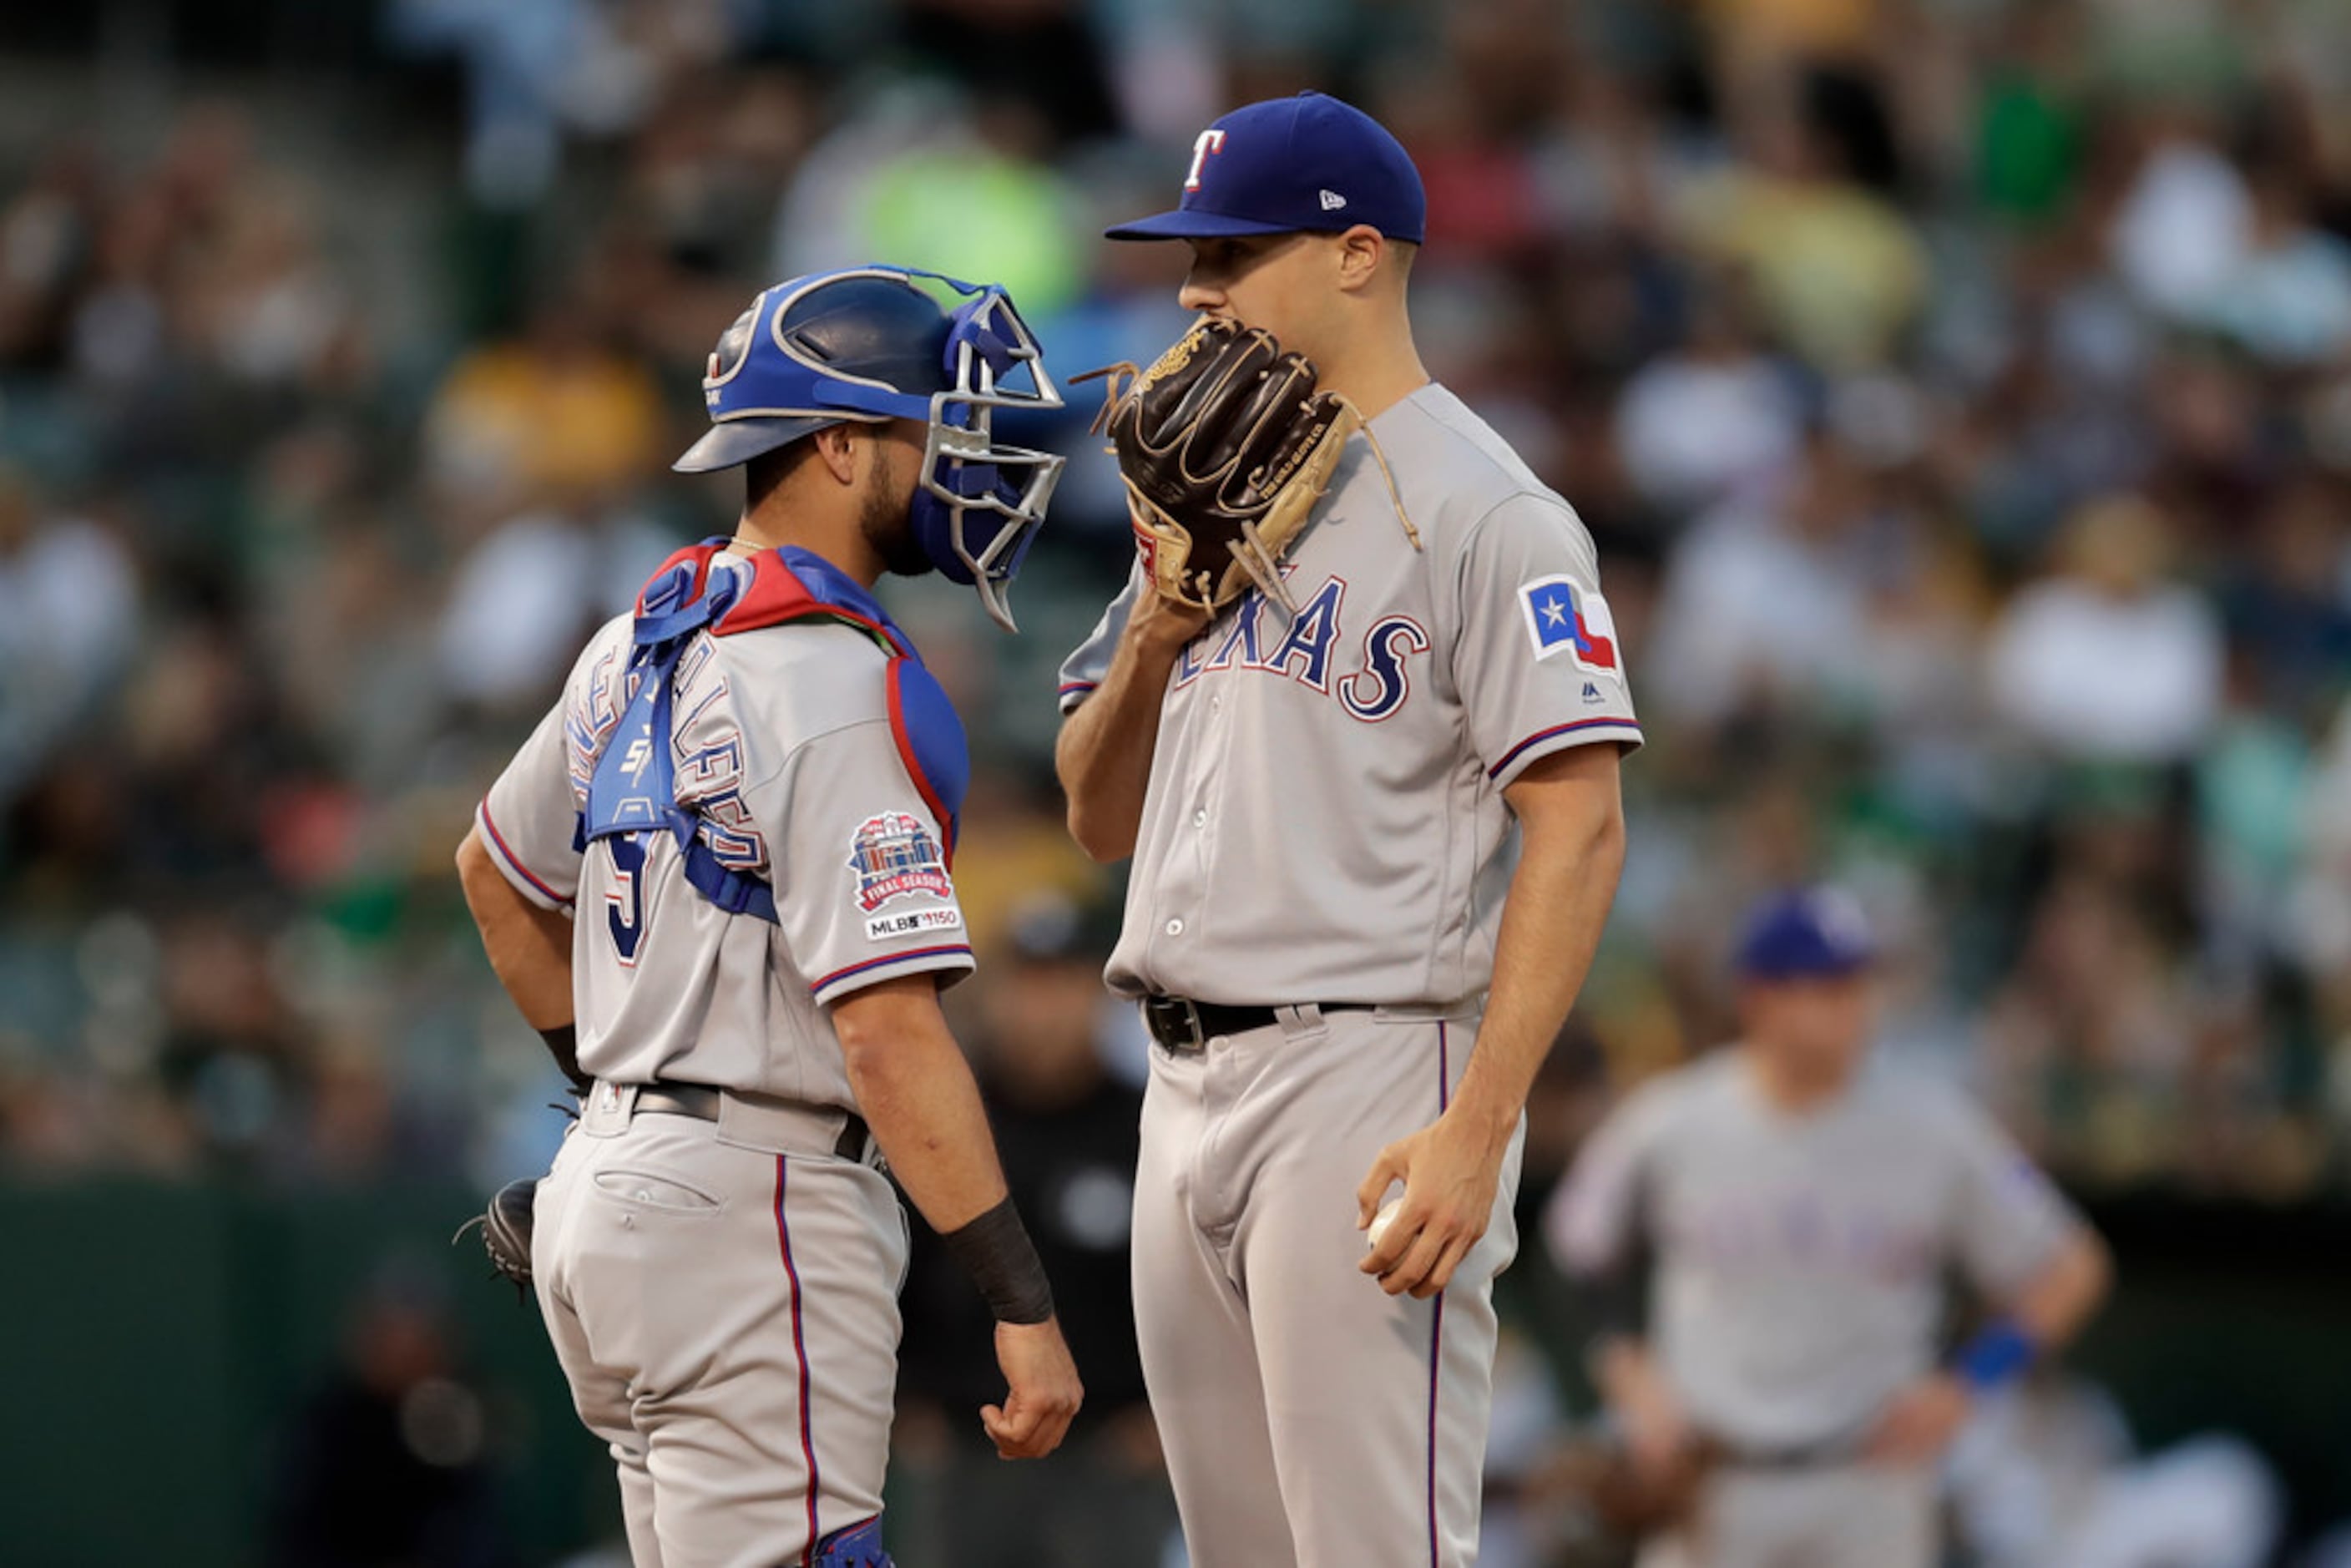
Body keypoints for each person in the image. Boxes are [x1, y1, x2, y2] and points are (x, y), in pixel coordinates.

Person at [1054, 91, 1638, 1565]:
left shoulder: (1491, 509)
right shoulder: (1201, 484)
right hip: (1177, 1084)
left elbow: (1577, 825)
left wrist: (1478, 1128)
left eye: (1233, 254)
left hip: (1369, 1074)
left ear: (1359, 255)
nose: (1195, 291)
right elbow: (1091, 811)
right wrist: (1152, 635)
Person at [454, 265, 1083, 1568]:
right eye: (929, 428)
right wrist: (1022, 1300)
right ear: (843, 445)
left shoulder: (641, 638)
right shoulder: (832, 677)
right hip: (756, 1215)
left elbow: (494, 875)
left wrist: (625, 1103)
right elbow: (889, 1036)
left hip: (612, 1195)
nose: (964, 459)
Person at [1546, 888, 2112, 1568]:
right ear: (1758, 997)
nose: (1852, 1004)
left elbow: (2072, 1266)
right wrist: (1628, 1372)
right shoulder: (1670, 1120)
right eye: (1824, 984)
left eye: (1857, 981)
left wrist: (1970, 1382)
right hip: (1715, 1481)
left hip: (1868, 1484)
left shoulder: (1939, 1125)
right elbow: (1576, 1239)